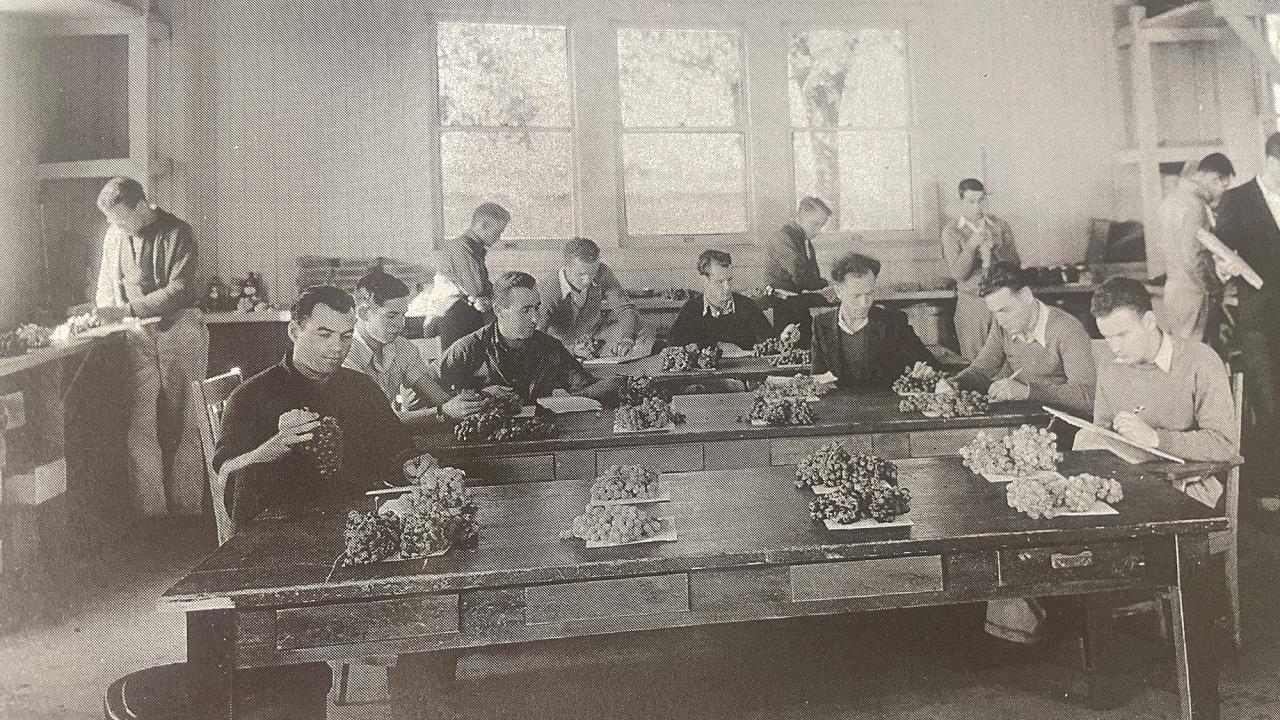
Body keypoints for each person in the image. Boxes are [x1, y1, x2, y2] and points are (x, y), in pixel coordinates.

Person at [213, 286, 413, 531]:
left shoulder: (361, 386)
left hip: (361, 521)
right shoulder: (252, 396)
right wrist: (274, 447)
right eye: (324, 334)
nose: (337, 347)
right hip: (286, 531)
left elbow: (396, 444)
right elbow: (225, 473)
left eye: (346, 336)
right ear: (295, 332)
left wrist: (410, 463)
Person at [88, 176, 208, 517]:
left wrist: (125, 309)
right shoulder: (115, 235)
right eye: (112, 222)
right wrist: (101, 313)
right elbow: (106, 288)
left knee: (187, 422)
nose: (118, 227)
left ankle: (186, 513)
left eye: (122, 219)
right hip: (138, 336)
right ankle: (150, 516)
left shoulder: (178, 232)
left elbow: (179, 291)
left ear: (142, 206)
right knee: (139, 425)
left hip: (181, 331)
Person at [1087, 277, 1238, 507]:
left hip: (1186, 486)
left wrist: (1156, 438)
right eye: (1107, 337)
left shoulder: (1200, 361)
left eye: (1122, 335)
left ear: (1149, 321)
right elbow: (1102, 432)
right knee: (1086, 439)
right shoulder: (1110, 366)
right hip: (1125, 481)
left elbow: (1224, 444)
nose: (1114, 347)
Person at [1215, 132, 1280, 516]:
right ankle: (1269, 488)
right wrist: (1225, 267)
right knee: (1268, 404)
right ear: (1271, 162)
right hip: (1259, 323)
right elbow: (1220, 251)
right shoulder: (1237, 199)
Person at [437, 271, 619, 403]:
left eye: (536, 307)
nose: (535, 318)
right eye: (525, 310)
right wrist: (478, 396)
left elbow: (585, 386)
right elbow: (426, 389)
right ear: (499, 310)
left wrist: (624, 383)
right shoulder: (468, 348)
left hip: (537, 434)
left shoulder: (549, 347)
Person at [951, 262, 1095, 418]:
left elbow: (1088, 395)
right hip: (1026, 416)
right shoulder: (1002, 326)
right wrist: (954, 383)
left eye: (1004, 310)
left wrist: (1027, 391)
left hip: (1061, 419)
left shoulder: (1067, 329)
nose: (1000, 320)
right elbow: (980, 371)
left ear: (1026, 296)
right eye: (995, 313)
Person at [346, 269, 486, 425]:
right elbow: (375, 420)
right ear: (363, 313)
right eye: (391, 316)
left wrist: (469, 406)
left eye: (403, 315)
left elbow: (439, 398)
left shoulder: (402, 347)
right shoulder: (344, 353)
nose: (400, 324)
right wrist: (444, 411)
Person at [811, 253, 934, 389]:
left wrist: (925, 369)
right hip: (840, 402)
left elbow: (929, 362)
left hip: (886, 402)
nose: (864, 303)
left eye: (869, 293)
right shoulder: (822, 324)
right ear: (838, 292)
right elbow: (817, 376)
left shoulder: (893, 323)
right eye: (856, 296)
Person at [1158, 153, 1235, 342]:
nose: (1221, 194)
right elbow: (1194, 257)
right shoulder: (1195, 206)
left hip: (1175, 290)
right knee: (1198, 353)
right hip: (1193, 293)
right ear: (1214, 178)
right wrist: (1215, 286)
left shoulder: (1170, 200)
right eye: (1223, 186)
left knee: (1181, 351)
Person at [941, 179, 1021, 360]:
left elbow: (1015, 265)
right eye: (971, 202)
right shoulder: (951, 231)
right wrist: (971, 247)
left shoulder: (1000, 226)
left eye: (981, 201)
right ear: (961, 202)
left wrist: (996, 249)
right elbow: (958, 274)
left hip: (1003, 301)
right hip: (972, 306)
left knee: (1010, 358)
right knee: (977, 362)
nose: (977, 207)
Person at [421, 202, 510, 353]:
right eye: (497, 232)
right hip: (453, 316)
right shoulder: (463, 249)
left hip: (458, 313)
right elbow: (478, 290)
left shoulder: (471, 248)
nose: (498, 238)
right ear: (482, 225)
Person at [539, 237, 646, 357]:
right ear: (566, 266)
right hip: (558, 347)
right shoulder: (548, 288)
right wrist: (572, 350)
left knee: (644, 329)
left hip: (594, 339)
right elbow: (536, 337)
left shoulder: (602, 271)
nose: (587, 280)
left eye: (592, 273)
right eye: (581, 274)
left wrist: (627, 339)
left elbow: (625, 308)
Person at [668, 250, 773, 350]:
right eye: (720, 282)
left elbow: (771, 343)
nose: (727, 287)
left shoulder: (748, 306)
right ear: (704, 280)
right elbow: (673, 349)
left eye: (729, 280)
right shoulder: (690, 310)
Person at [764, 196, 834, 348]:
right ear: (804, 214)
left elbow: (813, 276)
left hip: (797, 300)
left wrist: (828, 285)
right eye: (815, 224)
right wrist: (827, 286)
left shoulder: (805, 240)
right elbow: (801, 276)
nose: (818, 231)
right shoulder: (782, 237)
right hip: (782, 303)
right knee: (794, 346)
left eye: (821, 226)